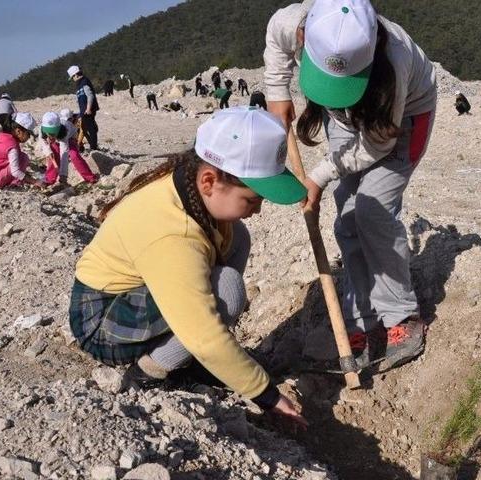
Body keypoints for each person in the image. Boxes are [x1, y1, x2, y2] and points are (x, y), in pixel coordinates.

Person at [69, 107, 308, 425]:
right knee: (227, 290)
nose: (258, 209)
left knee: (237, 235)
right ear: (209, 181)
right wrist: (266, 395)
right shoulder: (172, 232)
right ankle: (147, 372)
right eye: (252, 199)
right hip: (101, 322)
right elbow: (205, 335)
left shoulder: (190, 186)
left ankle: (189, 358)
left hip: (128, 296)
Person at [265, 0, 436, 370]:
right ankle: (360, 322)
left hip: (401, 120)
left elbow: (377, 145)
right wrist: (276, 91)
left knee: (372, 209)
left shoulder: (396, 59)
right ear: (305, 37)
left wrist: (318, 176)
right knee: (348, 216)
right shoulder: (294, 22)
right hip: (345, 118)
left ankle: (401, 316)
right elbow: (276, 45)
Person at [0, 112, 44, 189]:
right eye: (28, 134)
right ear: (18, 131)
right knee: (23, 158)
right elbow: (15, 171)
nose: (29, 137)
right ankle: (15, 183)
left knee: (21, 156)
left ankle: (13, 181)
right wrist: (35, 181)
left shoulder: (4, 138)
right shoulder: (12, 146)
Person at [39, 111, 98, 186]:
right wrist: (48, 152)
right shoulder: (42, 129)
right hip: (57, 140)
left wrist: (63, 175)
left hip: (70, 138)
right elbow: (43, 143)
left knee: (74, 155)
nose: (51, 136)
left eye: (53, 133)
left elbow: (64, 153)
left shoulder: (65, 129)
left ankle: (89, 177)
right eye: (49, 134)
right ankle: (49, 179)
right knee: (54, 154)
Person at [68, 65, 99, 151]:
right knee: (84, 128)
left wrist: (88, 108)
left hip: (88, 111)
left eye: (72, 77)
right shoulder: (80, 84)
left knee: (91, 129)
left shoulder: (84, 82)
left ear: (75, 75)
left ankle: (94, 148)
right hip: (84, 111)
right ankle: (82, 146)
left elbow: (90, 95)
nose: (73, 80)